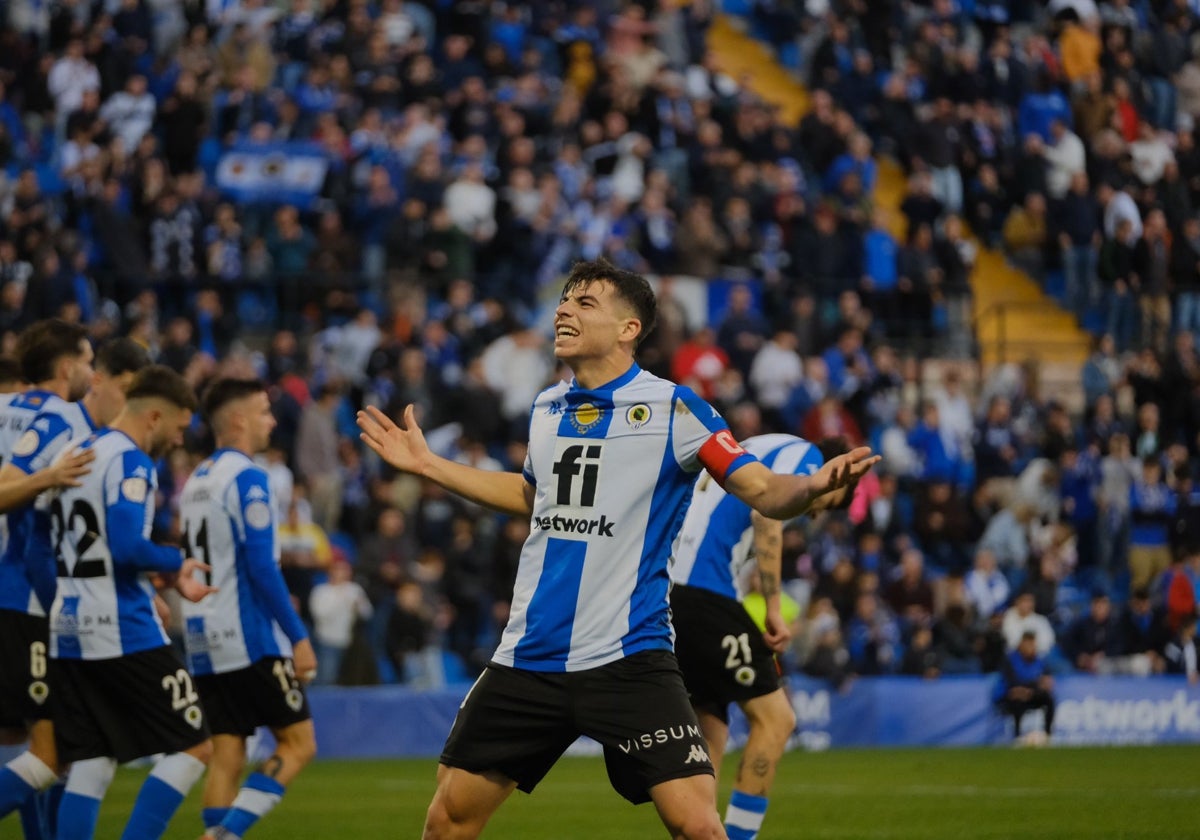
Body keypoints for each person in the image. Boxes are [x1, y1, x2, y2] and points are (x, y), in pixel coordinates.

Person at [356, 259, 879, 839]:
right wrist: (429, 465)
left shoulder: (678, 410)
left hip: (631, 656)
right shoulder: (547, 408)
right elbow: (532, 495)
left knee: (700, 828)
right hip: (532, 655)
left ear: (629, 329)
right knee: (447, 822)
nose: (563, 310)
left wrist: (810, 487)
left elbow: (761, 489)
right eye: (564, 300)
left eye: (584, 303)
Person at [37, 365, 216, 839]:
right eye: (178, 428)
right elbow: (125, 547)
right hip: (120, 628)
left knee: (93, 762)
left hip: (69, 625)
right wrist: (175, 560)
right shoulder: (132, 462)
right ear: (155, 416)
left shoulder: (78, 451)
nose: (179, 441)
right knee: (195, 745)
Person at [669, 434, 852, 840]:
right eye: (828, 504)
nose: (817, 513)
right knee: (777, 720)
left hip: (671, 591)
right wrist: (773, 606)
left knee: (710, 736)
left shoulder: (762, 445)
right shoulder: (807, 456)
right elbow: (765, 516)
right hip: (703, 592)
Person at [179, 377, 318, 839]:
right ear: (239, 419)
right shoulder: (248, 477)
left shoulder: (196, 481)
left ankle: (218, 831)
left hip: (204, 635)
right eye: (263, 411)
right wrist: (298, 636)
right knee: (298, 745)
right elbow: (261, 565)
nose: (272, 421)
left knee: (228, 753)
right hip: (249, 636)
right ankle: (225, 834)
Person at [0, 321, 118, 839]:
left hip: (14, 593)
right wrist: (49, 477)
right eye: (88, 360)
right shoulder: (58, 419)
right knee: (53, 750)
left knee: (27, 738)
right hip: (25, 594)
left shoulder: (5, 410)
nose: (93, 374)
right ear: (67, 367)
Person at [995, 630, 1056, 743]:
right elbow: (1012, 683)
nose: (1031, 648)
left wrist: (1031, 689)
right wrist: (1033, 685)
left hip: (1032, 693)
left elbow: (1046, 680)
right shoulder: (1010, 659)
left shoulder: (1039, 660)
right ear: (1021, 644)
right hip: (1012, 695)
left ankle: (1048, 735)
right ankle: (1017, 736)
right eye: (1028, 644)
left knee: (1048, 698)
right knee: (1017, 698)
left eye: (1033, 644)